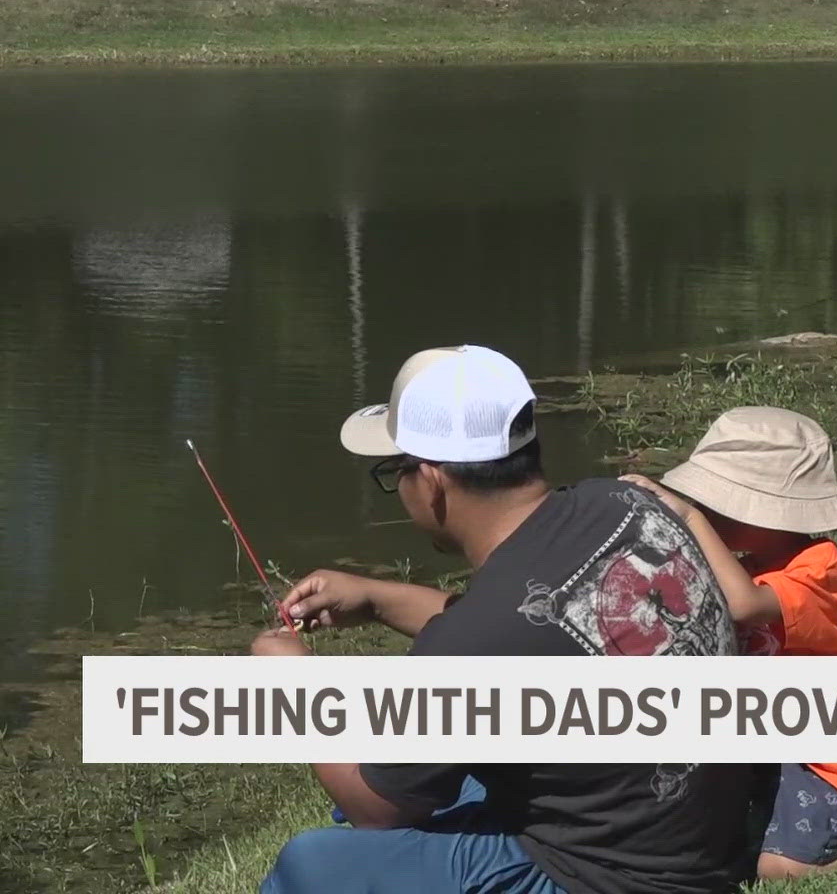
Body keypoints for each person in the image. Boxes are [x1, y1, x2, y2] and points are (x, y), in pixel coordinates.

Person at [249, 344, 752, 894]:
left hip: (612, 878)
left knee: (313, 863)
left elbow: (374, 808)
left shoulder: (479, 637)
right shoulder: (626, 504)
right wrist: (375, 598)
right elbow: (526, 632)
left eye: (396, 473)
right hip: (697, 838)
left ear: (432, 479)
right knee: (421, 768)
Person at [620, 406, 837, 881]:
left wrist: (689, 516)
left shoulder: (820, 567)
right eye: (704, 502)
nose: (710, 513)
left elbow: (744, 607)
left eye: (719, 504)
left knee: (778, 867)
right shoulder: (745, 562)